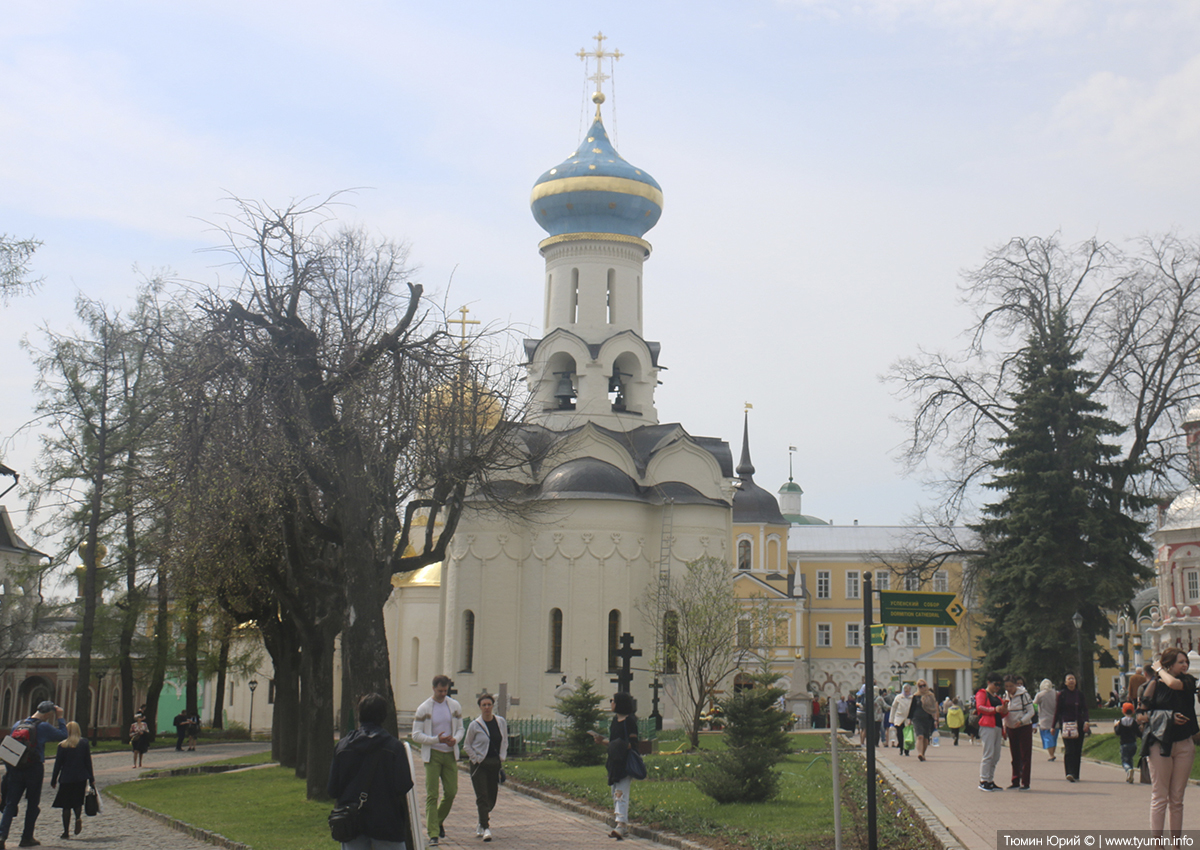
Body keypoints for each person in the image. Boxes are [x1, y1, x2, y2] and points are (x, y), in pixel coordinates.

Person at [328, 693, 415, 850]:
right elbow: (403, 785)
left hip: (352, 822)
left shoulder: (342, 747)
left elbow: (333, 789)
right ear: (383, 716)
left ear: (359, 714)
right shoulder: (394, 748)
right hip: (387, 822)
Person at [1138, 647, 1198, 839]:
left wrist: (1159, 669)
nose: (1185, 665)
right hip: (1159, 744)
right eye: (1181, 662)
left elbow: (1172, 683)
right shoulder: (1154, 685)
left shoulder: (1187, 681)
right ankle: (1157, 842)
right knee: (1160, 795)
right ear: (1170, 664)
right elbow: (1140, 716)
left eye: (1186, 662)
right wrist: (1168, 717)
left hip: (1184, 744)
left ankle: (1176, 842)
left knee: (1177, 798)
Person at [0, 699, 69, 849]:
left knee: (10, 804)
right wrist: (60, 717)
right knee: (32, 804)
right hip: (34, 769)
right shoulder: (43, 726)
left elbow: (9, 750)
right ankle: (26, 837)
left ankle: (1, 836)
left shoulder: (17, 724)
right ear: (49, 713)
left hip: (15, 768)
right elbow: (64, 735)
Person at [412, 674, 464, 846]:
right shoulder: (425, 708)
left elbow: (460, 729)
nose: (443, 694)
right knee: (432, 794)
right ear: (434, 689)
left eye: (445, 690)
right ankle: (433, 833)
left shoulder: (454, 706)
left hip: (449, 754)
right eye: (440, 691)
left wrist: (455, 739)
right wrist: (436, 739)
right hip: (433, 754)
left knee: (451, 792)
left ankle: (438, 819)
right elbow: (416, 735)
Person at [592, 692, 638, 840]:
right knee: (615, 793)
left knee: (621, 793)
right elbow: (612, 742)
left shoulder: (630, 721)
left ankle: (621, 825)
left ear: (620, 703)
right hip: (614, 761)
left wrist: (619, 745)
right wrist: (601, 741)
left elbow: (633, 743)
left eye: (613, 701)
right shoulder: (614, 721)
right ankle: (620, 822)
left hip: (624, 762)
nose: (611, 703)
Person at [464, 693, 508, 843]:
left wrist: (502, 757)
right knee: (482, 795)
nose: (487, 708)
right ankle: (486, 828)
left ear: (493, 706)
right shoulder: (475, 725)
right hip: (480, 765)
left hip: (494, 763)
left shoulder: (500, 722)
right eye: (484, 705)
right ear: (480, 707)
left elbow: (504, 741)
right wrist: (476, 759)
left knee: (492, 797)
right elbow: (467, 745)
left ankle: (481, 819)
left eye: (489, 704)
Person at [49, 721, 94, 840]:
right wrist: (91, 778)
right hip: (81, 777)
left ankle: (65, 831)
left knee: (66, 806)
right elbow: (87, 762)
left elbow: (58, 765)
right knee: (78, 801)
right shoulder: (84, 743)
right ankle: (78, 817)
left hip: (66, 778)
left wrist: (54, 779)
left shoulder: (62, 745)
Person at [1052, 673, 1090, 782]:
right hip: (1067, 725)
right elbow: (1057, 711)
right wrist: (1053, 726)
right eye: (1069, 679)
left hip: (1079, 724)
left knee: (1077, 750)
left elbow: (1085, 709)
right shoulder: (1062, 695)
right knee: (1069, 749)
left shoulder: (1080, 694)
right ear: (1065, 682)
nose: (1071, 681)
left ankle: (1076, 773)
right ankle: (1069, 772)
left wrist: (1086, 721)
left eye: (1073, 678)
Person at [976, 672, 1010, 791]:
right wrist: (994, 709)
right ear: (989, 682)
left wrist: (1004, 710)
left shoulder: (997, 698)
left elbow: (1003, 713)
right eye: (995, 684)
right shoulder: (982, 693)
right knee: (988, 753)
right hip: (987, 725)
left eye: (999, 685)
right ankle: (983, 780)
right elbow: (980, 707)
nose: (997, 687)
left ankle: (990, 780)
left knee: (996, 755)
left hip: (997, 726)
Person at [1003, 674, 1035, 790]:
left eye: (1011, 686)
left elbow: (1031, 712)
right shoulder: (1006, 696)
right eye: (1006, 686)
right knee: (1014, 755)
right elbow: (1005, 713)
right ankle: (1015, 779)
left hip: (1023, 727)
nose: (1009, 689)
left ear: (1015, 685)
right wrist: (1005, 727)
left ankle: (1025, 782)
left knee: (1025, 755)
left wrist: (1021, 721)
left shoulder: (1023, 695)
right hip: (1011, 728)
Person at [909, 679, 939, 762]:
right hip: (917, 718)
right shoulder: (916, 696)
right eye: (920, 686)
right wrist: (909, 719)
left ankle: (923, 753)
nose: (922, 687)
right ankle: (919, 753)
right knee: (920, 736)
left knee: (926, 738)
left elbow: (934, 708)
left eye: (924, 685)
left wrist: (936, 719)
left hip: (928, 718)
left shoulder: (931, 696)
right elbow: (912, 708)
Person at [1114, 702, 1140, 783]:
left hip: (1124, 744)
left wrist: (1115, 726)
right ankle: (1130, 776)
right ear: (1133, 711)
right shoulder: (1134, 722)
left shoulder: (1121, 722)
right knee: (1130, 758)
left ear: (1123, 711)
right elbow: (1138, 733)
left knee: (1124, 761)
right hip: (1133, 744)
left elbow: (1117, 733)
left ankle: (1128, 770)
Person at [1033, 678, 1058, 761]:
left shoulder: (1040, 695)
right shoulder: (1056, 693)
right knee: (1054, 738)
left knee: (1048, 738)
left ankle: (1051, 755)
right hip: (1056, 720)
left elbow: (1034, 704)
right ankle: (1052, 753)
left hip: (1045, 720)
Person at [890, 684, 913, 756]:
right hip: (899, 718)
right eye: (905, 690)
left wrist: (912, 718)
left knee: (907, 735)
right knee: (900, 734)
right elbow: (893, 708)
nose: (907, 692)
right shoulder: (898, 697)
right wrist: (891, 719)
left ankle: (907, 750)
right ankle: (901, 748)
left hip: (908, 719)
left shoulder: (912, 698)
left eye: (908, 690)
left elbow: (913, 709)